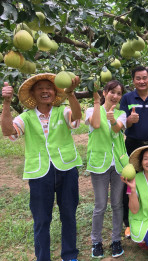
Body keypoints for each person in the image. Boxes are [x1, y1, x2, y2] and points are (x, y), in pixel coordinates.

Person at [1, 73, 82, 261]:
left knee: (69, 214)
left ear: (55, 91)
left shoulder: (62, 111)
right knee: (41, 220)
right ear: (33, 93)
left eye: (49, 87)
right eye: (40, 88)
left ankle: (70, 256)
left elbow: (76, 118)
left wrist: (71, 94)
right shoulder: (27, 117)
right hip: (39, 173)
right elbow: (8, 131)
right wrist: (6, 103)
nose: (45, 91)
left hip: (67, 169)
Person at [120, 66, 148, 238]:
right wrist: (130, 121)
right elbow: (122, 124)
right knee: (131, 183)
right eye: (138, 78)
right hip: (133, 145)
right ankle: (129, 222)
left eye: (144, 78)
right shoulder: (127, 98)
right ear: (133, 81)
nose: (141, 81)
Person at [85, 80, 129, 258]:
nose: (116, 96)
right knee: (100, 205)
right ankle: (96, 242)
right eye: (113, 92)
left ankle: (116, 239)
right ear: (104, 92)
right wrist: (98, 105)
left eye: (119, 93)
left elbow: (118, 129)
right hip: (99, 164)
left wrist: (112, 121)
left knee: (117, 204)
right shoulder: (91, 110)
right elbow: (95, 124)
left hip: (118, 164)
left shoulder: (121, 113)